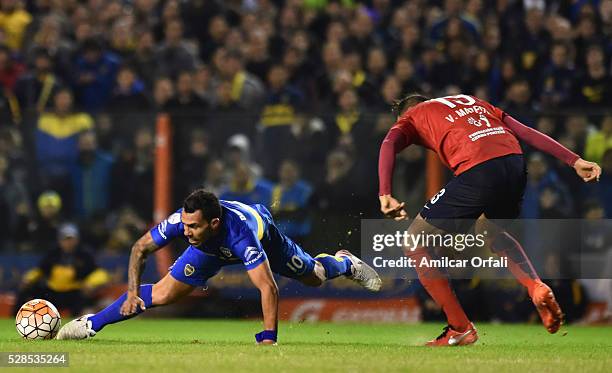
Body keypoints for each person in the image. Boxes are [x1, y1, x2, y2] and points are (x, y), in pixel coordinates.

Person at [378, 93, 601, 346]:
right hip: (515, 165)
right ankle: (536, 286)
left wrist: (385, 193)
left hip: (478, 169)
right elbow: (525, 131)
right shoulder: (472, 101)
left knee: (414, 241)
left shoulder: (413, 116)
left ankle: (459, 328)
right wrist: (575, 160)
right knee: (488, 230)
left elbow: (388, 143)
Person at [57, 189, 381, 344]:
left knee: (316, 277)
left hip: (265, 236)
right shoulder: (184, 224)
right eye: (184, 225)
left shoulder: (241, 236)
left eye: (193, 227)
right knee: (163, 294)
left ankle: (345, 262)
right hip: (210, 251)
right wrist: (130, 292)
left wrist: (269, 336)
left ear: (213, 223)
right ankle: (90, 324)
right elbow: (139, 248)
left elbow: (267, 286)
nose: (185, 232)